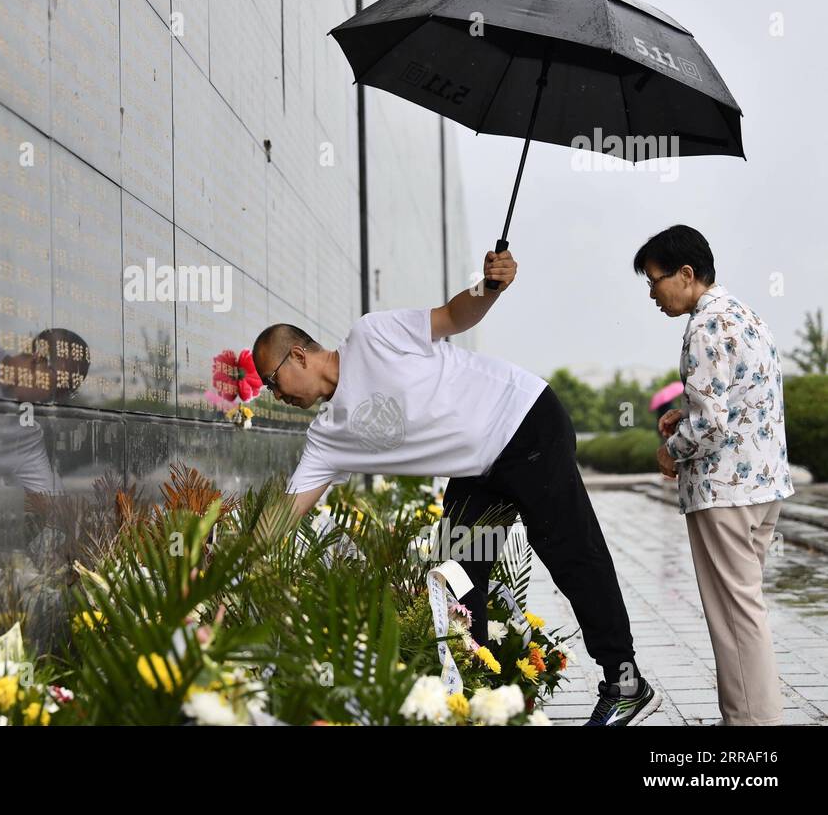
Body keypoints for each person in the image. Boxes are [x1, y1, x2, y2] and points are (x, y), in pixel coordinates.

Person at [252, 248, 660, 726]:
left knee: (568, 549)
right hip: (478, 469)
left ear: (297, 355)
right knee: (455, 576)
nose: (275, 395)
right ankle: (481, 701)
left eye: (272, 381)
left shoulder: (370, 336)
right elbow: (287, 509)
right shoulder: (327, 437)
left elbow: (451, 316)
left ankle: (624, 680)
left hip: (523, 420)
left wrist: (489, 286)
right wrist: (233, 556)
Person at [635, 224, 795, 725]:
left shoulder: (704, 327)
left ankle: (751, 730)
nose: (653, 294)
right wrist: (684, 413)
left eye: (655, 280)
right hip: (762, 487)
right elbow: (743, 400)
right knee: (746, 611)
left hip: (723, 493)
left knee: (733, 618)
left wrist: (671, 452)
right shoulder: (747, 316)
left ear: (686, 273)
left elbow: (711, 427)